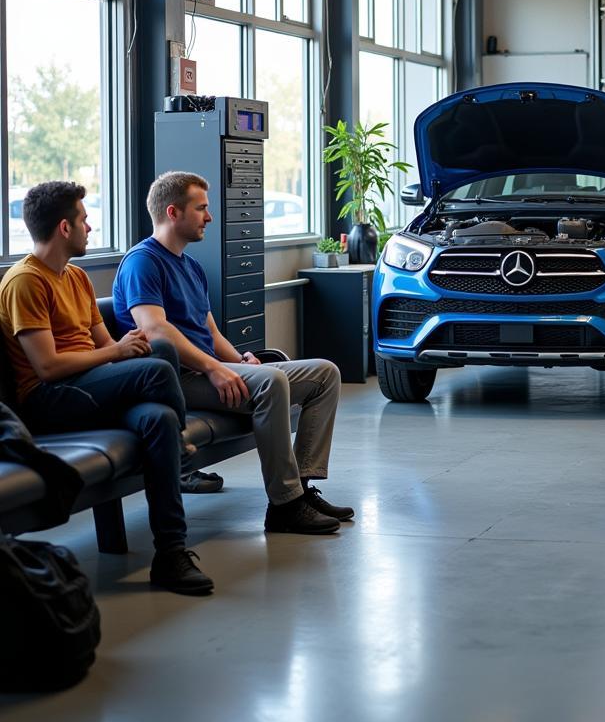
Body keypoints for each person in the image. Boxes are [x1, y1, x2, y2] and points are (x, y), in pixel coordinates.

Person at [0, 181, 213, 596]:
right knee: (159, 367)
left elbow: (102, 343)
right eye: (83, 220)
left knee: (159, 416)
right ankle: (184, 445)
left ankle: (171, 553)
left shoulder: (76, 277)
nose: (90, 227)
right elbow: (47, 366)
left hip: (91, 387)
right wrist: (118, 354)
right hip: (50, 398)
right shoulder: (25, 281)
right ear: (65, 228)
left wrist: (126, 348)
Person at [112, 171, 352, 535]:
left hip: (207, 369)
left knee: (324, 373)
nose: (209, 217)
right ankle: (285, 506)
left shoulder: (190, 266)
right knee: (271, 381)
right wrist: (214, 368)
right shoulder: (142, 262)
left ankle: (301, 488)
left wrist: (238, 360)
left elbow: (209, 330)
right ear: (173, 212)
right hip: (175, 379)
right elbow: (154, 330)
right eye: (201, 209)